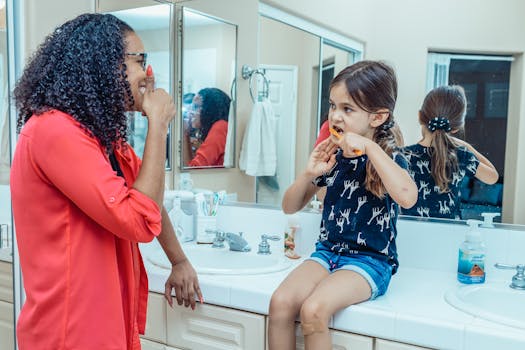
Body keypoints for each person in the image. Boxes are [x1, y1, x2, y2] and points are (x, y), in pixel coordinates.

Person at [10, 14, 203, 350]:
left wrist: (179, 259)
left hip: (107, 318)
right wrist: (157, 125)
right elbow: (138, 219)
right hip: (70, 330)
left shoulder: (104, 140)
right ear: (104, 64)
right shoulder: (53, 131)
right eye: (140, 60)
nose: (148, 74)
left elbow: (148, 196)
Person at [268, 60, 417, 349]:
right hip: (327, 253)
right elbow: (290, 206)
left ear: (377, 117)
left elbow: (407, 196)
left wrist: (370, 147)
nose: (335, 116)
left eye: (347, 109)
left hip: (370, 262)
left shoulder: (389, 156)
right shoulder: (333, 156)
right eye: (333, 106)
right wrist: (309, 174)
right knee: (280, 302)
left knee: (313, 310)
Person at [401, 85, 499, 219]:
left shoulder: (402, 156)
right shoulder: (461, 156)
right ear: (455, 128)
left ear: (419, 116)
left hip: (410, 234)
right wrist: (463, 145)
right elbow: (493, 177)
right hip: (451, 234)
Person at [183, 87, 231, 167]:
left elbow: (193, 169)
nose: (191, 112)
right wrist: (186, 134)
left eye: (196, 107)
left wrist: (184, 133)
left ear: (209, 110)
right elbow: (193, 164)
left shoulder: (220, 127)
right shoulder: (219, 127)